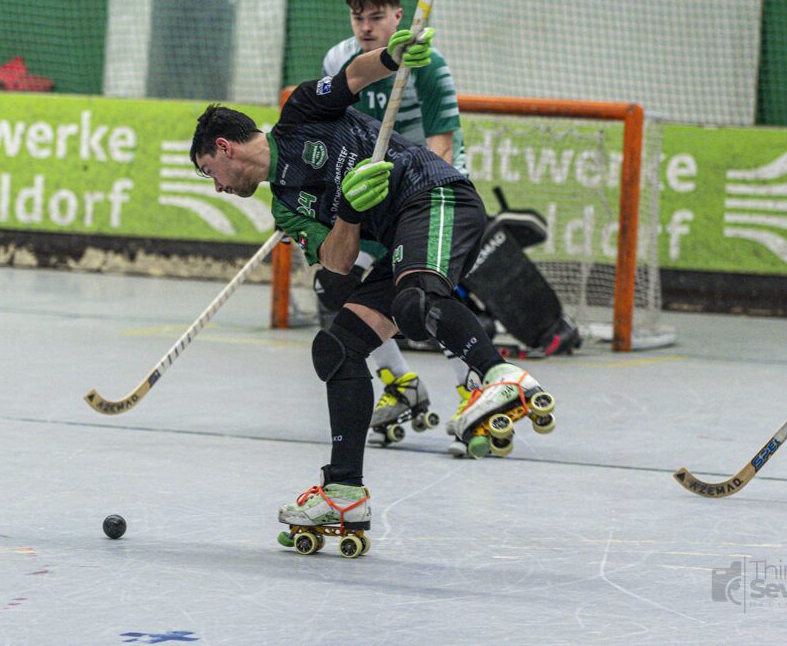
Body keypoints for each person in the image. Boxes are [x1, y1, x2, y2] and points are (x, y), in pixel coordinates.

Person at [190, 27, 556, 547]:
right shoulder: (284, 206)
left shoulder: (299, 115)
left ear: (223, 148)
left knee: (415, 299)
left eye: (212, 173)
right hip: (397, 231)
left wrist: (390, 55)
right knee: (337, 347)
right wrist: (347, 210)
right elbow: (338, 262)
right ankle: (343, 491)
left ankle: (502, 378)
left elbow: (354, 77)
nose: (221, 188)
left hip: (435, 195)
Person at [311, 0, 577, 448]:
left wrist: (405, 203)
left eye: (377, 17)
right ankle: (400, 384)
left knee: (425, 291)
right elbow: (334, 127)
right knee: (334, 282)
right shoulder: (340, 59)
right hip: (374, 192)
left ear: (398, 15)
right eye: (358, 18)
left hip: (430, 188)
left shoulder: (427, 63)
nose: (366, 28)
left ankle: (472, 390)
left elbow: (442, 146)